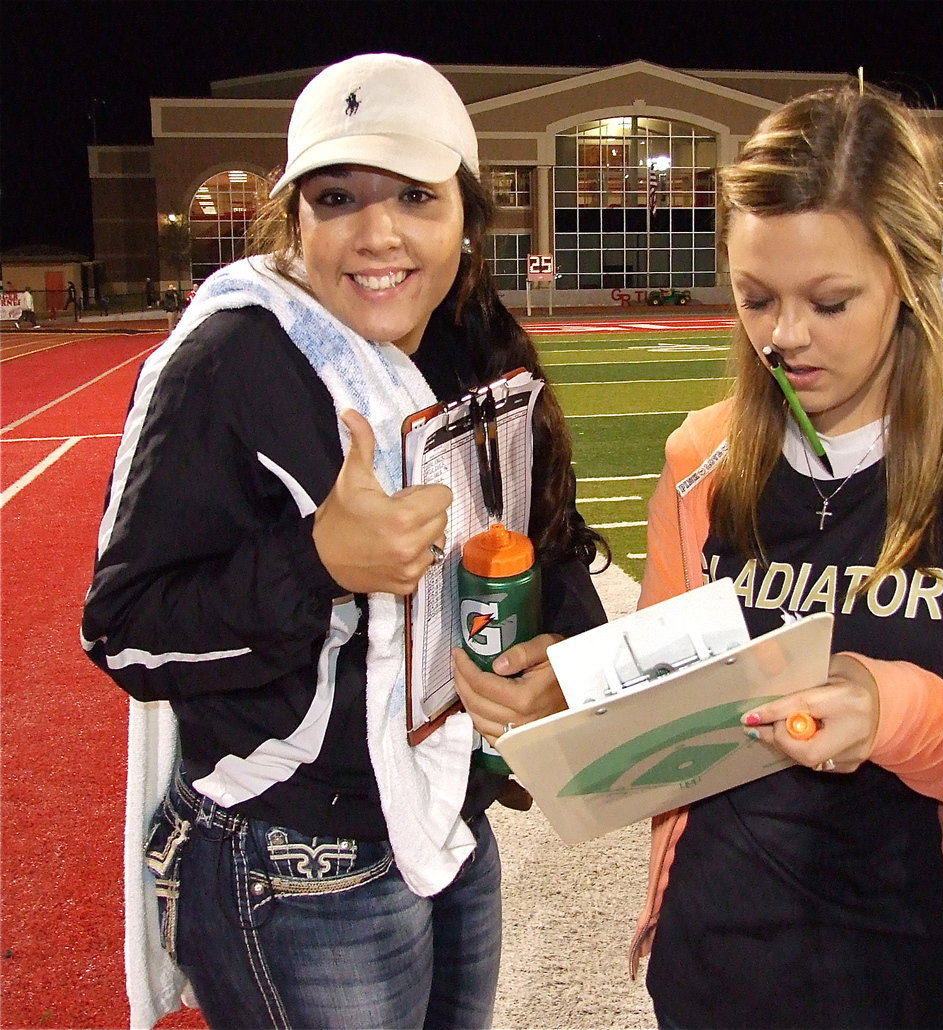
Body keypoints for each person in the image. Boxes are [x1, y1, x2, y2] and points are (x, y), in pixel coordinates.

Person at [82, 52, 606, 1030]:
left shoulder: (468, 342)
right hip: (293, 858)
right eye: (337, 197)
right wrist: (314, 565)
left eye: (416, 194)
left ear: (466, 216)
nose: (379, 233)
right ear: (295, 222)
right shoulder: (232, 362)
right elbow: (124, 630)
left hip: (446, 812)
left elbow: (542, 539)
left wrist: (560, 664)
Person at [629, 84, 943, 1030]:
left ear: (911, 275)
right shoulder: (703, 463)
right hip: (713, 970)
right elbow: (662, 709)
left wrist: (893, 711)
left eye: (829, 301)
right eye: (754, 297)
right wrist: (565, 707)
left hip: (915, 984)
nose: (782, 336)